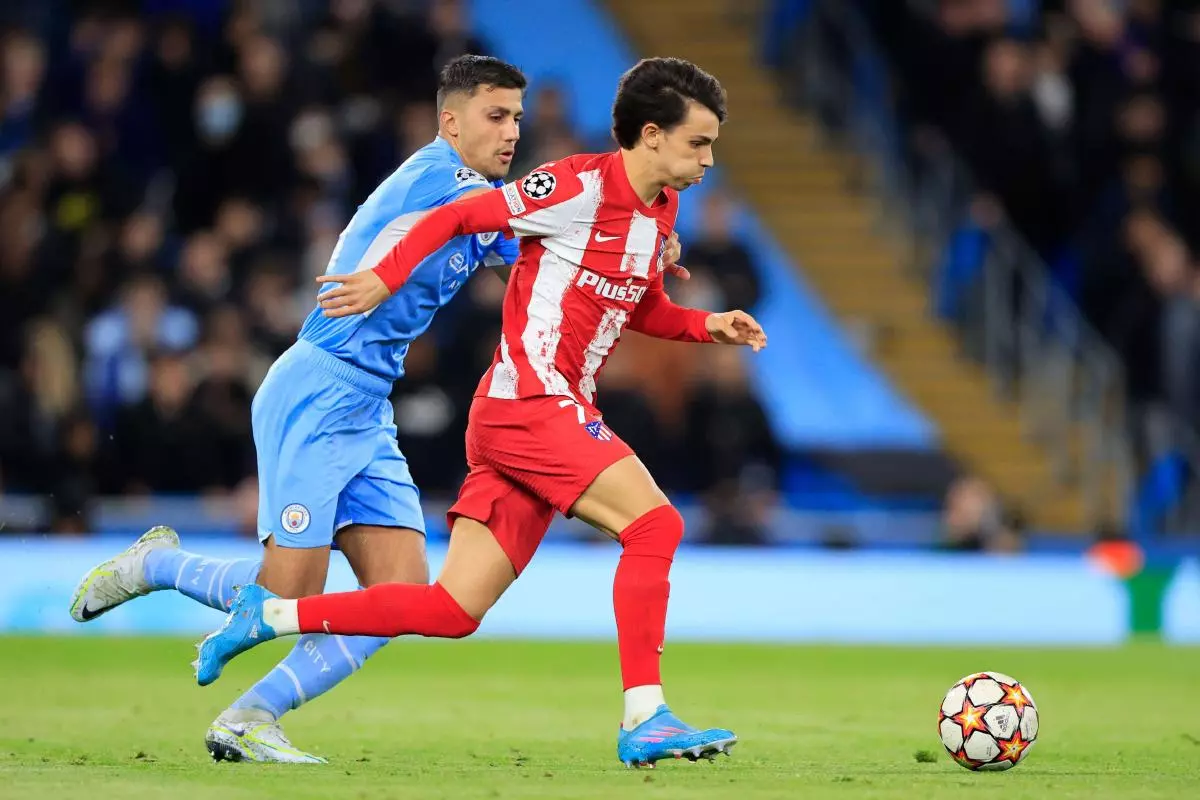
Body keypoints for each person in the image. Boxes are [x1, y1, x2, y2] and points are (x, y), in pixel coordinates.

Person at [67, 55, 675, 766]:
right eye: (495, 115)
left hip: (366, 403)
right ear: (450, 121)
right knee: (287, 589)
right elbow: (494, 227)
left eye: (516, 116)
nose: (511, 130)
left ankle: (250, 715)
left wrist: (644, 252)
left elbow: (549, 255)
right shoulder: (438, 181)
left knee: (399, 594)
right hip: (318, 388)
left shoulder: (483, 199)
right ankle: (160, 562)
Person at [194, 57, 767, 769]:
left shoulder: (661, 214)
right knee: (655, 522)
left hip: (527, 417)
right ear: (652, 136)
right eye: (699, 143)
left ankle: (273, 614)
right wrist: (384, 274)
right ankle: (645, 714)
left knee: (451, 610)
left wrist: (706, 326)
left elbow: (637, 304)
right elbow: (465, 212)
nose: (710, 160)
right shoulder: (575, 184)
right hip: (530, 401)